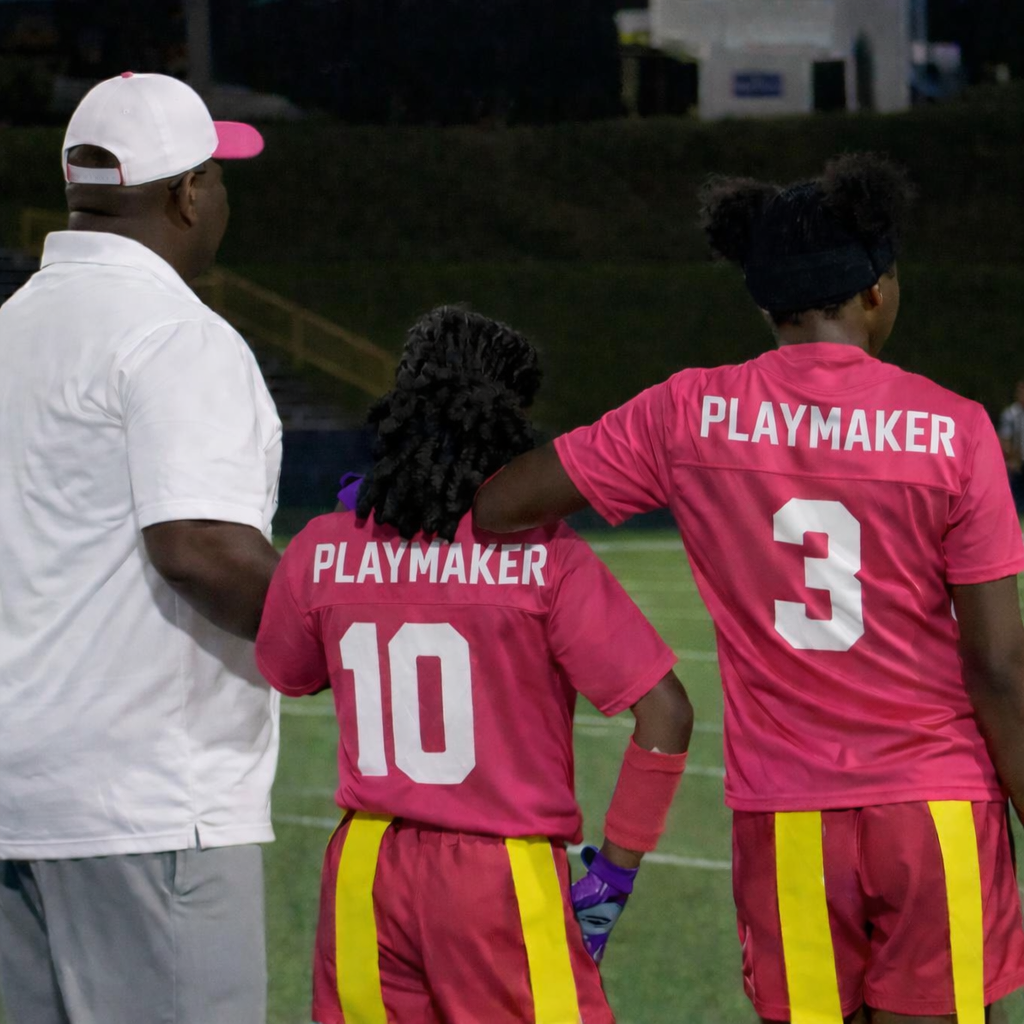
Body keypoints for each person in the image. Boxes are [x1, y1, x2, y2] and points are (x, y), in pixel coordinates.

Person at [474, 154, 1024, 1024]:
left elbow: (501, 503)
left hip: (787, 814)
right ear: (877, 290)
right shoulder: (954, 429)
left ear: (764, 303)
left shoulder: (686, 412)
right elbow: (996, 664)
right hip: (934, 808)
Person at [255, 307, 693, 1024]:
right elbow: (666, 712)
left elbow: (288, 671)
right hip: (502, 877)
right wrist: (611, 876)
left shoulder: (324, 544)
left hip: (366, 868)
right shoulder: (544, 557)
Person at [0, 73, 282, 1024]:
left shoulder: (12, 328)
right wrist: (330, 633)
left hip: (17, 792)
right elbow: (198, 544)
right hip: (146, 793)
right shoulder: (175, 334)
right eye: (216, 176)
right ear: (186, 194)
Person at [998, 380, 1024, 514]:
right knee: (1016, 499)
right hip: (1016, 462)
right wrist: (1012, 458)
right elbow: (1005, 439)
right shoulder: (1011, 414)